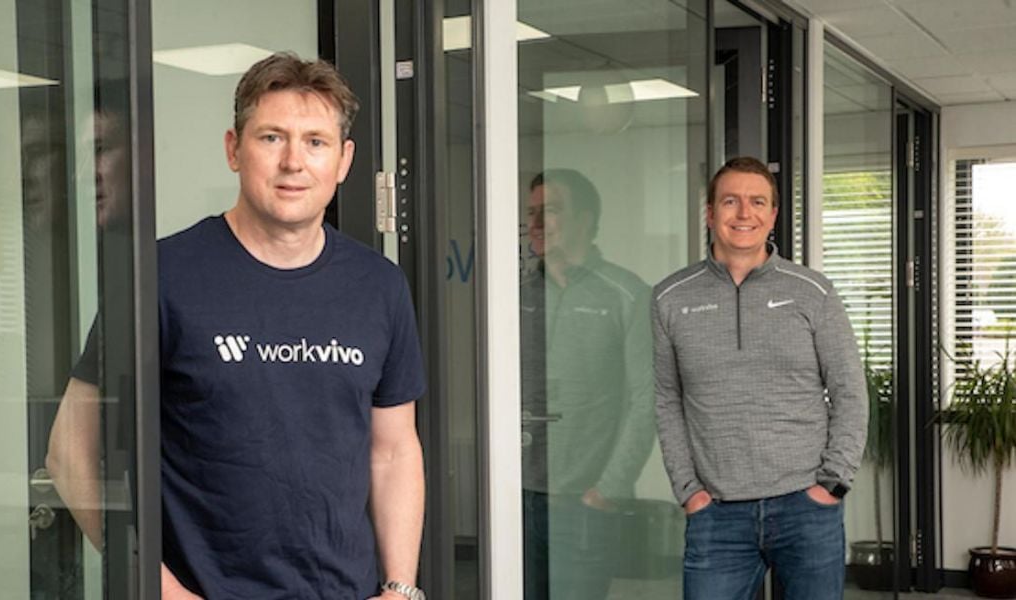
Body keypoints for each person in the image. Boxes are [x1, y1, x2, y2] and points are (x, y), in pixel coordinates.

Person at [47, 53, 427, 599]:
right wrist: (159, 588)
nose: (294, 162)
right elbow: (69, 449)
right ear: (234, 149)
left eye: (316, 142)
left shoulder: (379, 286)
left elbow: (393, 451)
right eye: (272, 138)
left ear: (343, 161)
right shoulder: (158, 279)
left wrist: (400, 588)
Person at [652, 156, 867, 600]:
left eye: (757, 202)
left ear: (772, 215)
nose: (743, 213)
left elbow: (849, 391)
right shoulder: (670, 297)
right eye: (730, 201)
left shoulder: (813, 291)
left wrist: (832, 484)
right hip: (717, 515)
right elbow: (667, 400)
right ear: (710, 213)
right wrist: (688, 491)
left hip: (806, 508)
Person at [520, 169, 654, 599]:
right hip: (515, 496)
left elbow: (647, 400)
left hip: (583, 503)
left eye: (552, 210)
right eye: (532, 213)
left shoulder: (627, 295)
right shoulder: (512, 294)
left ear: (586, 219)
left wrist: (609, 489)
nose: (536, 224)